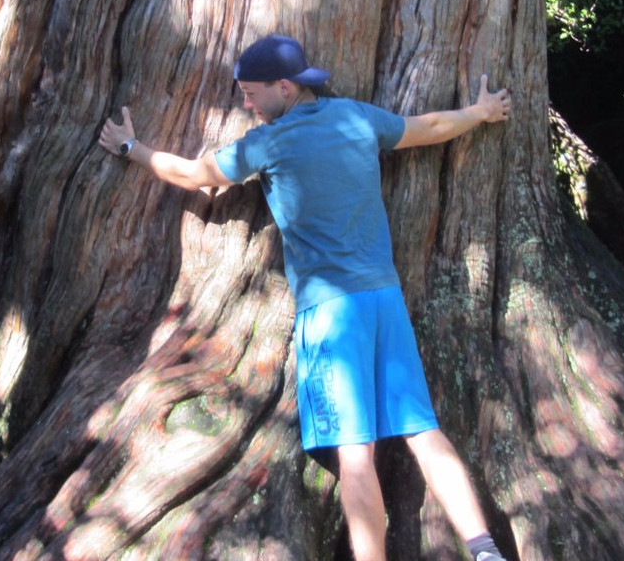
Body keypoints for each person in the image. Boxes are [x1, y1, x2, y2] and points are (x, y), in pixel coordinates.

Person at [99, 34, 512, 561]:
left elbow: (193, 175)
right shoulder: (356, 117)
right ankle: (486, 552)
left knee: (355, 456)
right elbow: (427, 128)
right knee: (423, 432)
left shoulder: (269, 144)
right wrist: (480, 112)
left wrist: (130, 147)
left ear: (285, 87)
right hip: (384, 300)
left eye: (251, 93)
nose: (246, 103)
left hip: (331, 314)